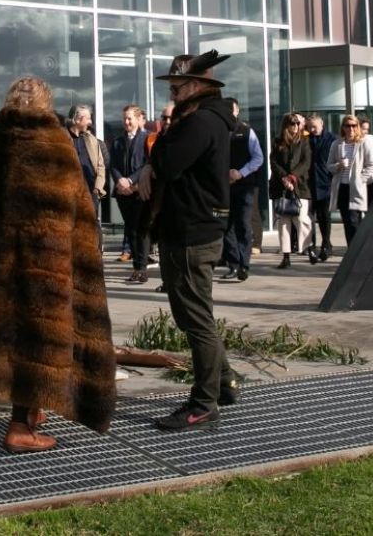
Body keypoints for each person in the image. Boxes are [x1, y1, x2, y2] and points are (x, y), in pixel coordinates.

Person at [0, 76, 116, 453]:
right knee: (38, 339)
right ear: (45, 103)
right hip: (48, 262)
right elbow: (79, 209)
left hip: (0, 262)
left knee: (10, 335)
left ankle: (33, 411)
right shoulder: (56, 141)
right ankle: (20, 427)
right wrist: (86, 258)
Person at [137, 51, 238, 431]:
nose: (172, 96)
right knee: (199, 314)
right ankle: (223, 383)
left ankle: (203, 402)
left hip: (191, 232)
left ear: (197, 87)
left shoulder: (199, 123)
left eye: (177, 88)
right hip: (195, 228)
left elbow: (167, 162)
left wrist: (154, 154)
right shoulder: (206, 119)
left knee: (194, 320)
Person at [221, 97, 264, 281]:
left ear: (237, 111)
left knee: (243, 225)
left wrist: (240, 173)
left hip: (245, 186)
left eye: (232, 110)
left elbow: (258, 158)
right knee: (225, 226)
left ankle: (244, 265)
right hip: (224, 187)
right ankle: (233, 264)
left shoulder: (247, 131)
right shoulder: (218, 131)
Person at [109, 105, 151, 283]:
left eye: (129, 118)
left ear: (138, 118)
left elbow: (147, 164)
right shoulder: (118, 141)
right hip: (122, 193)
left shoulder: (147, 139)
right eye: (124, 119)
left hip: (139, 191)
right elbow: (113, 165)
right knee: (131, 230)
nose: (126, 122)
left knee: (141, 230)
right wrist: (120, 181)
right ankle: (136, 267)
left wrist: (131, 181)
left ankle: (142, 268)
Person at [327, 115, 373, 254]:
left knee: (354, 221)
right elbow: (329, 166)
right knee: (347, 221)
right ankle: (352, 251)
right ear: (343, 127)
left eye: (354, 125)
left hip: (356, 187)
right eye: (348, 125)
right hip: (342, 187)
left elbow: (371, 165)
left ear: (358, 127)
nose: (351, 128)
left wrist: (360, 180)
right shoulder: (337, 144)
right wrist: (339, 165)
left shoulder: (364, 142)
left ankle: (357, 251)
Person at [268, 112, 311, 269]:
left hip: (299, 185)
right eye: (292, 123)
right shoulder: (278, 141)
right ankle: (286, 255)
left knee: (301, 217)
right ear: (286, 125)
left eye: (297, 124)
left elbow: (306, 162)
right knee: (284, 221)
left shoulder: (304, 141)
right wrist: (284, 178)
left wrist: (292, 177)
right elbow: (273, 162)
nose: (295, 127)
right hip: (281, 186)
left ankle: (307, 247)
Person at [305, 115, 337, 260]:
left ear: (321, 124)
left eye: (314, 126)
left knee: (324, 217)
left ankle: (326, 245)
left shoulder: (332, 139)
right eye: (309, 126)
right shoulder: (306, 139)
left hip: (325, 183)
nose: (312, 129)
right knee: (309, 217)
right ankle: (311, 246)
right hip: (309, 184)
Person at [66, 104, 107, 211]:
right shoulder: (62, 138)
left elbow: (101, 165)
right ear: (78, 119)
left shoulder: (92, 140)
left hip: (91, 193)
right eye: (88, 118)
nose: (91, 122)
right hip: (70, 194)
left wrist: (97, 189)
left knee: (92, 225)